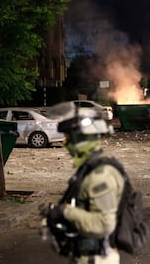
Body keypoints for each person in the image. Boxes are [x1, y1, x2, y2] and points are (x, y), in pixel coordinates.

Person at [44, 102, 125, 264]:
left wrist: (65, 212)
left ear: (79, 139)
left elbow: (104, 224)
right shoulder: (89, 169)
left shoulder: (99, 176)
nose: (65, 143)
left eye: (68, 137)